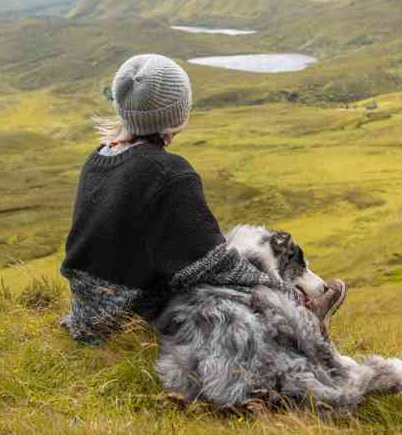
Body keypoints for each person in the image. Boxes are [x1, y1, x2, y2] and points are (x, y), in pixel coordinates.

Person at [59, 53, 345, 342]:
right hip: (128, 320)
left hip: (87, 312)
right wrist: (281, 291)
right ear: (177, 114)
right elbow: (213, 265)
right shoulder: (170, 173)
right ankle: (306, 316)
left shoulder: (98, 158)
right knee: (233, 280)